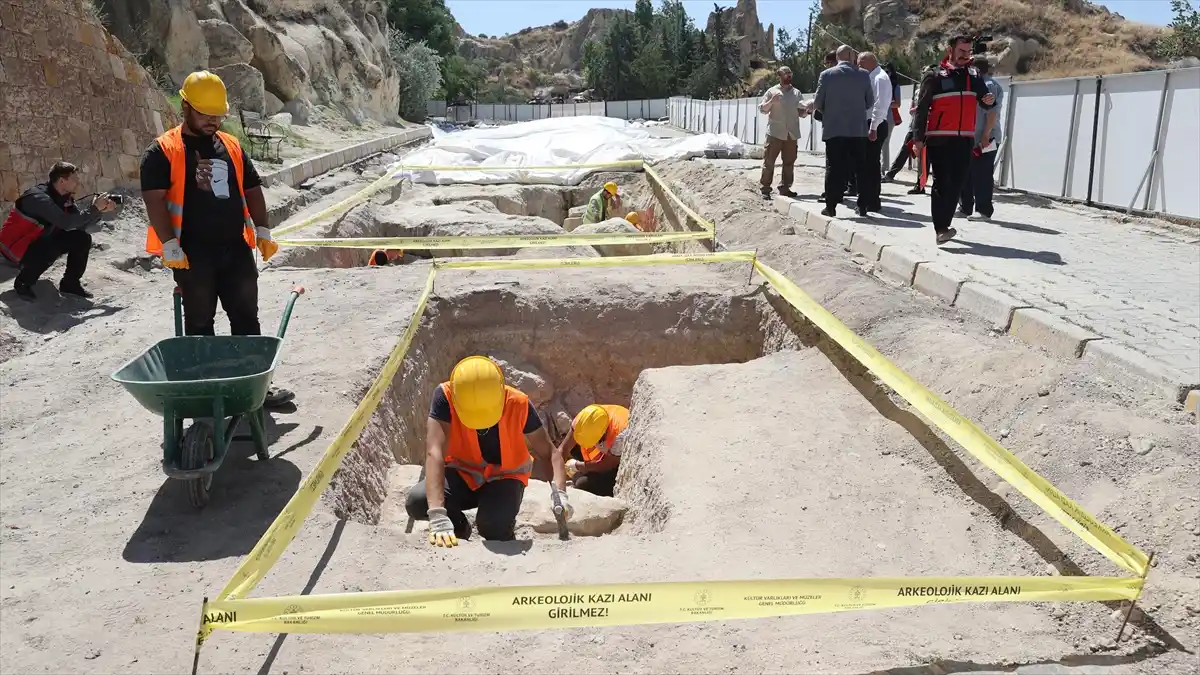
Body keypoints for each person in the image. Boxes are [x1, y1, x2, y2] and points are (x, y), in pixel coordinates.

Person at [139, 70, 293, 407]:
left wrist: (263, 230)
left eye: (218, 114)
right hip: (192, 254)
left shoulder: (232, 146)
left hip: (234, 248)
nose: (213, 120)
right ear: (186, 107)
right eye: (205, 113)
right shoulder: (163, 151)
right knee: (199, 324)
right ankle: (207, 391)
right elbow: (154, 199)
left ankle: (254, 390)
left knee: (246, 319)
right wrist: (169, 244)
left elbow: (252, 189)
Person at [406, 356, 570, 546]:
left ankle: (505, 536)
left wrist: (560, 493)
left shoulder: (518, 403)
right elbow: (435, 452)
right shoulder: (445, 397)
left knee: (493, 527)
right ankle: (458, 530)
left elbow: (549, 453)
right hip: (463, 471)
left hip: (506, 477)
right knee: (418, 502)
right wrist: (437, 514)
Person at [911, 37, 997, 245]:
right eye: (961, 50)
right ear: (950, 49)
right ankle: (941, 228)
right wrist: (917, 138)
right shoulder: (934, 75)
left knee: (957, 183)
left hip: (965, 139)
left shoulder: (973, 74)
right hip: (939, 138)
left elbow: (984, 100)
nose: (965, 55)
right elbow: (922, 109)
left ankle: (945, 225)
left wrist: (988, 101)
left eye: (968, 51)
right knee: (942, 182)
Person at [2, 162, 118, 300]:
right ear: (62, 181)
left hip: (37, 240)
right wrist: (93, 209)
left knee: (82, 238)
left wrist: (99, 211)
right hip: (15, 249)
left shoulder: (64, 198)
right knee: (51, 247)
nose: (78, 182)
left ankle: (70, 284)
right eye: (75, 179)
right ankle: (23, 283)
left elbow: (79, 226)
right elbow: (66, 222)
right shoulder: (38, 198)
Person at [813, 45, 874, 218]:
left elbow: (817, 103)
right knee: (861, 169)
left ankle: (831, 207)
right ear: (851, 56)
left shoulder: (827, 75)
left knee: (834, 168)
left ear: (838, 57)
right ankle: (862, 206)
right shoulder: (863, 74)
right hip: (858, 130)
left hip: (834, 129)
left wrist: (830, 111)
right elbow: (870, 101)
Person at [959, 57, 1004, 221]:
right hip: (972, 137)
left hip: (986, 138)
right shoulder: (973, 85)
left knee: (982, 174)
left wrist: (985, 135)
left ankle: (984, 210)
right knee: (967, 173)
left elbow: (992, 113)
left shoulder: (989, 85)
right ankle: (965, 207)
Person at [558, 404, 629, 497]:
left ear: (603, 434)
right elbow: (564, 448)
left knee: (582, 484)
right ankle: (588, 471)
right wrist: (556, 470)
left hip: (615, 460)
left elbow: (606, 465)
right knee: (574, 449)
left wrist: (578, 466)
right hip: (604, 446)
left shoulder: (620, 436)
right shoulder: (585, 419)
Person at [757, 65, 807, 200]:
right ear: (780, 76)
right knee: (769, 162)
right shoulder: (772, 91)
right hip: (775, 133)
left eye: (790, 74)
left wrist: (806, 110)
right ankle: (765, 189)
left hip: (791, 134)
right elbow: (762, 109)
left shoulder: (797, 93)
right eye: (786, 74)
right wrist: (771, 101)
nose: (789, 76)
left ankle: (785, 187)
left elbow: (801, 112)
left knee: (789, 162)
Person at [858, 52, 892, 214]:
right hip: (872, 124)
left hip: (875, 125)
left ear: (868, 62)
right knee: (869, 165)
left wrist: (873, 127)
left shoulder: (880, 78)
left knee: (868, 165)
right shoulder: (873, 76)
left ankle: (868, 201)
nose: (858, 67)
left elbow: (880, 105)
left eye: (860, 64)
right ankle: (871, 200)